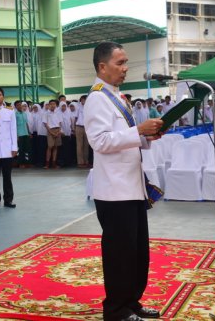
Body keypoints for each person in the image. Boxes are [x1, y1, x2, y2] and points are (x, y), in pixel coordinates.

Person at [84, 41, 164, 321]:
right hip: (114, 190)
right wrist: (137, 131)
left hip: (131, 186)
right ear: (102, 67)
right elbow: (100, 141)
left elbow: (125, 138)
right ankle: (116, 309)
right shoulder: (96, 98)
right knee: (120, 253)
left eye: (126, 62)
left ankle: (131, 302)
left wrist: (146, 136)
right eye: (119, 63)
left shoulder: (117, 96)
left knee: (137, 251)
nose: (125, 68)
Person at [43, 100, 62, 169]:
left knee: (55, 147)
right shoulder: (46, 113)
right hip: (50, 130)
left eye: (54, 104)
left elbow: (60, 123)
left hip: (57, 130)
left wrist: (59, 131)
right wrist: (51, 132)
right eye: (51, 104)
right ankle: (47, 163)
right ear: (49, 105)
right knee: (50, 147)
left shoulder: (58, 113)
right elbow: (45, 124)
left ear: (56, 105)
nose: (52, 105)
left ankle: (54, 163)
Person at [14, 100, 30, 167]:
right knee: (20, 149)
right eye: (18, 105)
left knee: (26, 149)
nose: (20, 106)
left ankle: (26, 162)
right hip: (19, 134)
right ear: (15, 106)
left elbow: (26, 124)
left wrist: (29, 132)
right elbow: (14, 126)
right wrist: (16, 135)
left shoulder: (24, 113)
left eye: (20, 104)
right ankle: (20, 163)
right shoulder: (14, 114)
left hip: (26, 133)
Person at [75, 95, 90, 168]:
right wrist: (74, 128)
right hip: (79, 127)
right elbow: (75, 118)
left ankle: (86, 161)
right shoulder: (78, 107)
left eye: (85, 99)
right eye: (82, 99)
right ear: (80, 100)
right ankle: (80, 162)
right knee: (79, 145)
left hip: (87, 127)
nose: (83, 101)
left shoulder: (89, 107)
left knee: (86, 145)